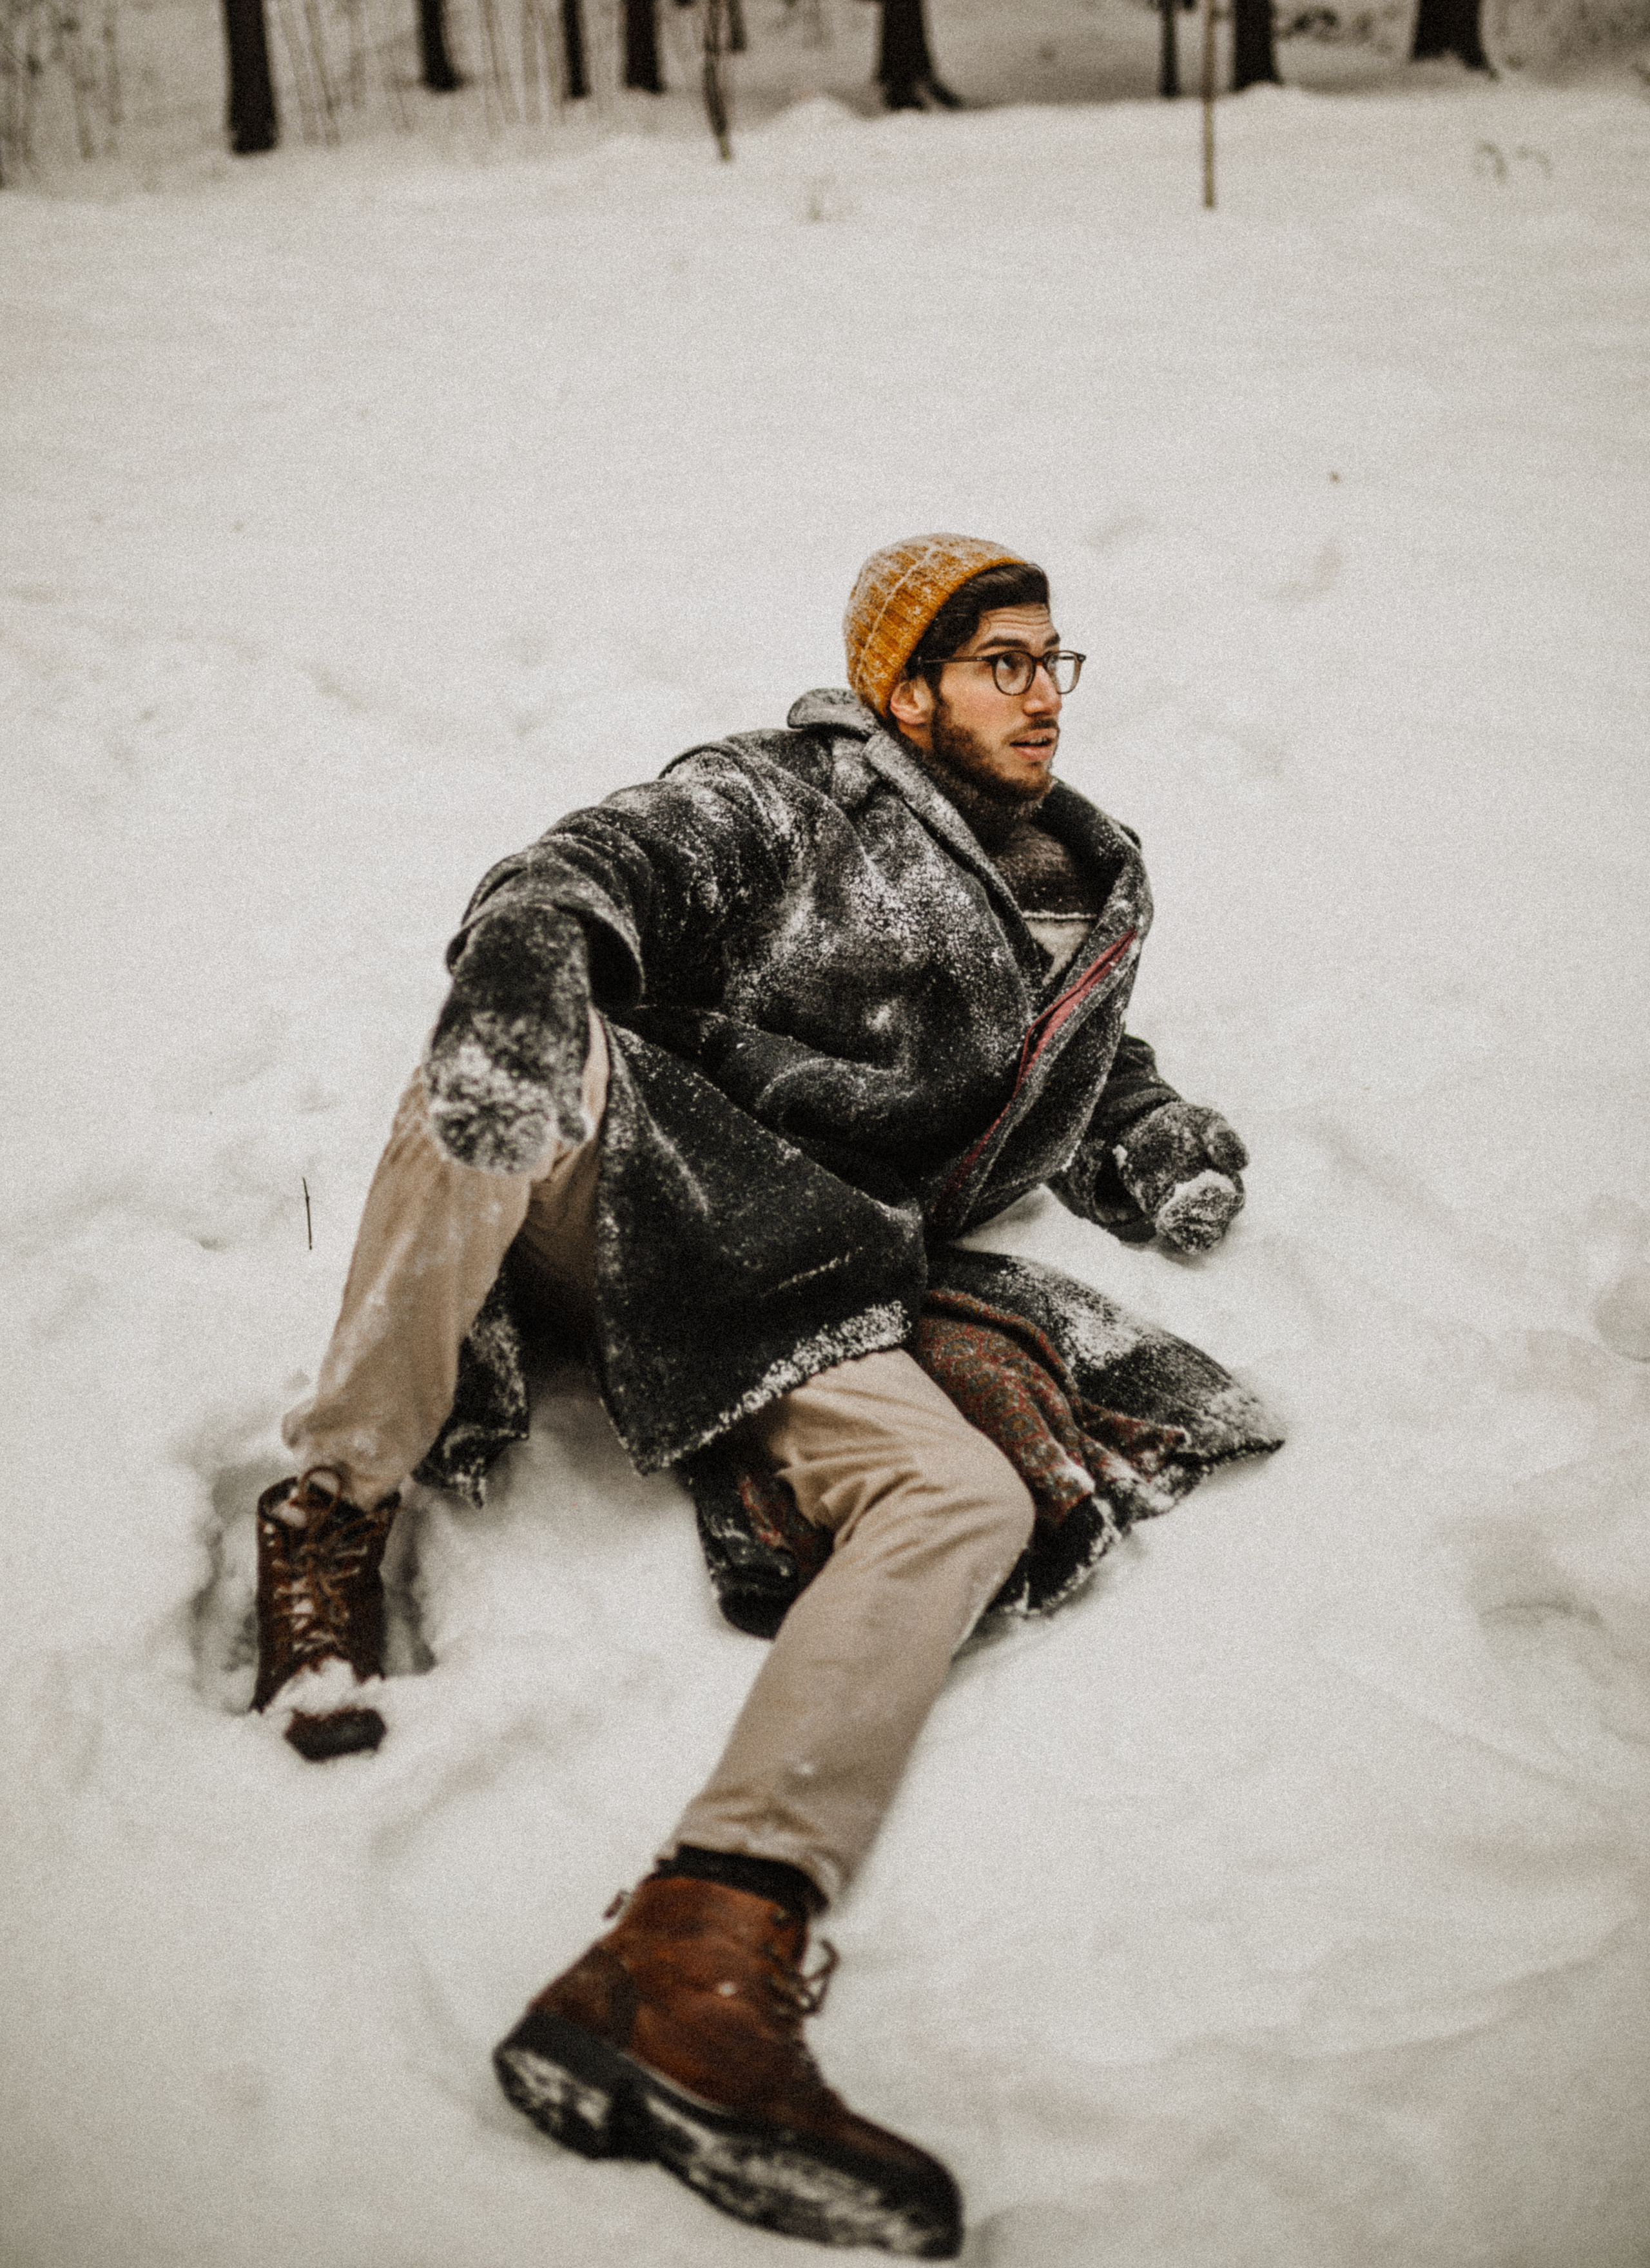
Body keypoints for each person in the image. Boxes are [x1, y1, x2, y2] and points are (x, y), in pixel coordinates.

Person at [253, 534, 1281, 2258]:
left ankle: (696, 1954)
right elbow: (585, 868)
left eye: (1054, 662)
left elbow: (1079, 1065)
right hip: (646, 1171)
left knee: (965, 1496)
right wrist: (526, 971)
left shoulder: (1088, 891)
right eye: (1003, 664)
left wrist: (1151, 1135)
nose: (1043, 694)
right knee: (510, 1055)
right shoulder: (786, 805)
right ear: (907, 690)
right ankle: (332, 1507)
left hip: (809, 1276)